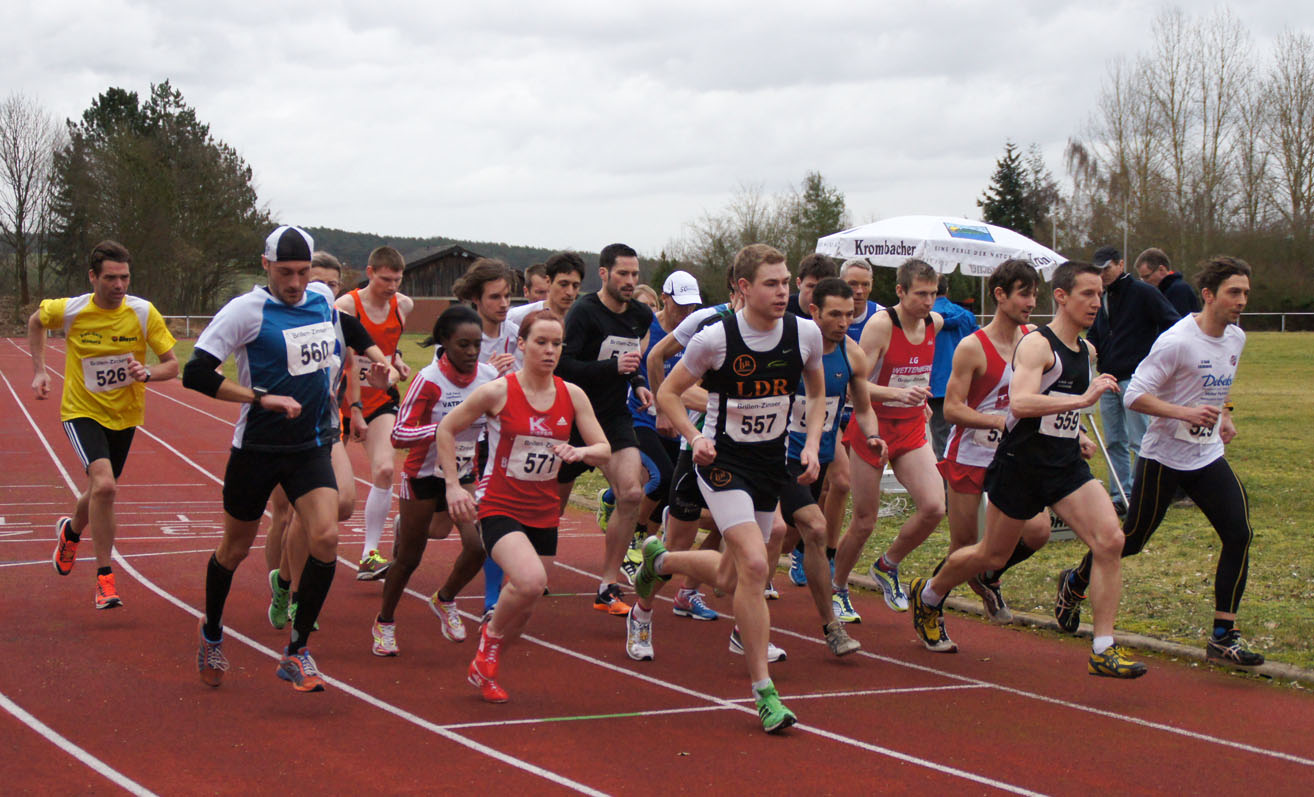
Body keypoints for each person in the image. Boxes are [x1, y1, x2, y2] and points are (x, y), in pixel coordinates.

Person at [908, 261, 1146, 679]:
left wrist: (1076, 433)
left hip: (1065, 467)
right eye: (1087, 294)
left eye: (1100, 294)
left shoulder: (1086, 351)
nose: (1096, 302)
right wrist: (1081, 401)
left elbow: (1057, 412)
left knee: (1110, 540)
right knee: (989, 553)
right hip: (1020, 466)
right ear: (1062, 297)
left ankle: (1103, 647)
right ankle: (929, 594)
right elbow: (1020, 403)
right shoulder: (1037, 346)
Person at [636, 243, 828, 734]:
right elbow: (668, 392)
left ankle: (660, 563)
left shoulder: (804, 333)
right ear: (744, 287)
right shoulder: (716, 338)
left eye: (785, 282)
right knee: (757, 564)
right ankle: (764, 693)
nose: (783, 292)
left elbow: (817, 392)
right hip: (722, 462)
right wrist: (694, 435)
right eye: (771, 283)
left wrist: (811, 443)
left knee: (729, 574)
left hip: (769, 464)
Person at [1054, 256, 1262, 667]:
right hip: (1163, 457)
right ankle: (1075, 582)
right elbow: (1134, 395)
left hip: (1206, 456)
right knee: (1130, 540)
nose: (1241, 301)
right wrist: (1185, 413)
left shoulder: (1236, 338)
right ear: (1208, 295)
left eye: (1246, 293)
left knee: (1239, 533)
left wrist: (1224, 414)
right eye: (1234, 292)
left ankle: (1223, 635)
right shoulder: (1177, 341)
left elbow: (1216, 388)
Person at [183, 225, 344, 692]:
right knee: (234, 549)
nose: (295, 283)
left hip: (310, 446)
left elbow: (333, 349)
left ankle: (297, 651)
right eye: (284, 272)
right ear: (265, 265)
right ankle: (212, 632)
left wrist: (367, 367)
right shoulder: (245, 311)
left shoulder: (322, 300)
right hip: (257, 449)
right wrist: (259, 397)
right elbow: (195, 373)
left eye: (303, 272)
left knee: (327, 536)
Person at [441, 311, 610, 702]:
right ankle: (489, 640)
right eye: (541, 342)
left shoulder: (572, 394)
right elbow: (446, 428)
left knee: (526, 606)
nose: (550, 351)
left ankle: (485, 667)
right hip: (499, 504)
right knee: (531, 580)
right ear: (522, 344)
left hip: (543, 509)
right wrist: (452, 485)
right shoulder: (498, 392)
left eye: (557, 344)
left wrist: (580, 451)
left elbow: (603, 449)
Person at [30, 240, 178, 609]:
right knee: (106, 486)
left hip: (125, 415)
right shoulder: (71, 310)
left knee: (100, 491)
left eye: (124, 277)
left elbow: (172, 365)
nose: (119, 285)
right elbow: (36, 321)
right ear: (93, 277)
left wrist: (147, 372)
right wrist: (40, 371)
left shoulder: (143, 312)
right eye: (111, 278)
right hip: (81, 411)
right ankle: (104, 579)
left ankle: (70, 532)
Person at [265, 252, 397, 630]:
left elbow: (352, 365)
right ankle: (288, 593)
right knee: (285, 513)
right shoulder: (279, 318)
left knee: (341, 503)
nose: (322, 290)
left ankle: (287, 583)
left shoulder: (339, 322)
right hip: (279, 430)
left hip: (323, 427)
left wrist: (360, 403)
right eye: (315, 282)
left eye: (331, 284)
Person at [372, 306, 498, 656]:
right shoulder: (429, 380)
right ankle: (384, 621)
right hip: (423, 475)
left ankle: (445, 598)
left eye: (477, 344)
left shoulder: (489, 377)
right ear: (444, 342)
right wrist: (444, 429)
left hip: (463, 473)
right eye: (463, 345)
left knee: (478, 546)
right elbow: (399, 434)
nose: (472, 352)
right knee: (409, 559)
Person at [933, 259, 1050, 624]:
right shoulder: (972, 347)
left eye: (1034, 294)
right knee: (964, 545)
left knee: (1038, 530)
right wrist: (997, 420)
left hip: (1013, 456)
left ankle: (989, 575)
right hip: (970, 453)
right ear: (1000, 295)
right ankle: (930, 602)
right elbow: (951, 409)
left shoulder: (1034, 340)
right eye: (1024, 294)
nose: (1031, 302)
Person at [831, 259, 945, 623]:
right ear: (900, 291)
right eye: (920, 294)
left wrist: (919, 399)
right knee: (864, 520)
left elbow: (918, 372)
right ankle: (837, 587)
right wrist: (898, 394)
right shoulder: (882, 326)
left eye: (933, 294)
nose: (928, 302)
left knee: (934, 507)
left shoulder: (935, 323)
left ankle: (887, 564)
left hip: (910, 428)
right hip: (873, 429)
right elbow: (855, 387)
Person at [776, 278, 885, 656]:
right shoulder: (789, 347)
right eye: (835, 314)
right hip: (777, 457)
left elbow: (864, 409)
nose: (843, 322)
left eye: (849, 315)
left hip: (817, 458)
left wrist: (872, 436)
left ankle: (673, 564)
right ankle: (832, 627)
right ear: (814, 312)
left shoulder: (852, 355)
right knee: (813, 529)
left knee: (785, 538)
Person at [554, 243, 654, 616]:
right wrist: (613, 368)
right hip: (572, 417)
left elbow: (631, 361)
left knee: (631, 492)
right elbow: (562, 366)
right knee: (549, 510)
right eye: (623, 273)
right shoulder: (584, 313)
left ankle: (607, 585)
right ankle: (520, 565)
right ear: (604, 274)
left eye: (634, 274)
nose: (629, 280)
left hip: (612, 417)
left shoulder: (641, 315)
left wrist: (638, 383)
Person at [599, 270, 702, 583]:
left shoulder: (697, 331)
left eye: (692, 306)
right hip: (641, 416)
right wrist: (655, 404)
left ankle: (629, 523)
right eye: (681, 305)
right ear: (665, 298)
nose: (687, 312)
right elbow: (630, 368)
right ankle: (632, 535)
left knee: (671, 491)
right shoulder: (647, 329)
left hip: (676, 419)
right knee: (662, 477)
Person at [335, 245, 414, 580]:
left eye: (397, 280)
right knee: (334, 492)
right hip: (340, 401)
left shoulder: (403, 306)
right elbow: (348, 361)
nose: (391, 287)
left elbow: (390, 351)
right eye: (385, 280)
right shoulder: (346, 306)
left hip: (380, 399)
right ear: (370, 273)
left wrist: (397, 365)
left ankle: (369, 554)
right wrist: (354, 411)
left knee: (384, 469)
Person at [1086, 245, 1180, 512]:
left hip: (1136, 381)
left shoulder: (1144, 292)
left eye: (1107, 268)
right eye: (1099, 270)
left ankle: (1143, 496)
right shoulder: (1101, 297)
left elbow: (1173, 324)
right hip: (1107, 379)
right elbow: (1096, 333)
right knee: (1114, 441)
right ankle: (1121, 495)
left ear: (1120, 264)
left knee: (1141, 441)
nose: (1103, 274)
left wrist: (1154, 360)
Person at [928, 275, 979, 459]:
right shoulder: (965, 315)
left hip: (935, 385)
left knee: (940, 437)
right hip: (964, 383)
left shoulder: (924, 316)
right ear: (947, 290)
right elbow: (979, 345)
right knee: (963, 435)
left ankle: (944, 476)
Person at [507, 251, 585, 326]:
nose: (570, 292)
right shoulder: (516, 317)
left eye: (575, 286)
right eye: (563, 285)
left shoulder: (586, 320)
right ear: (548, 281)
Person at [1135, 248, 1200, 317]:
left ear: (1161, 269)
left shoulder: (1179, 290)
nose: (1144, 282)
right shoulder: (1160, 292)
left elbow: (1179, 321)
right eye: (1141, 279)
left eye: (1147, 277)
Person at [784, 253, 838, 317]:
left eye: (824, 288)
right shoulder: (782, 309)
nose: (817, 292)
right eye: (811, 286)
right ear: (799, 283)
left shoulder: (838, 312)